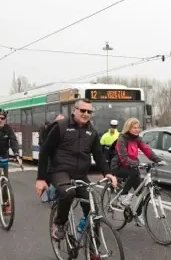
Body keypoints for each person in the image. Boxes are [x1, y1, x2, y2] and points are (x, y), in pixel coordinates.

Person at [35, 98, 117, 241]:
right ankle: (59, 223)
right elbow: (44, 152)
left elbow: (98, 155)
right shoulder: (60, 126)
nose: (86, 114)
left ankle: (93, 249)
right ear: (74, 110)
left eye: (89, 111)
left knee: (93, 210)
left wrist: (108, 173)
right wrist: (41, 179)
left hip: (80, 174)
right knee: (68, 192)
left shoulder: (92, 132)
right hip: (60, 171)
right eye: (83, 110)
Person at [110, 118, 165, 226]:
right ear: (128, 128)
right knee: (134, 172)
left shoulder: (137, 139)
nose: (137, 130)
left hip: (132, 167)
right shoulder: (122, 139)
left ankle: (137, 214)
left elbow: (147, 150)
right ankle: (123, 196)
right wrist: (136, 163)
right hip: (119, 166)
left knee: (140, 194)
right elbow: (123, 157)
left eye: (138, 127)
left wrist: (158, 160)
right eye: (134, 128)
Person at [38, 113, 64, 203]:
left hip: (59, 158)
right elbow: (43, 142)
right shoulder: (47, 130)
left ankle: (55, 194)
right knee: (48, 176)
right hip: (49, 155)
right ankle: (45, 194)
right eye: (60, 120)